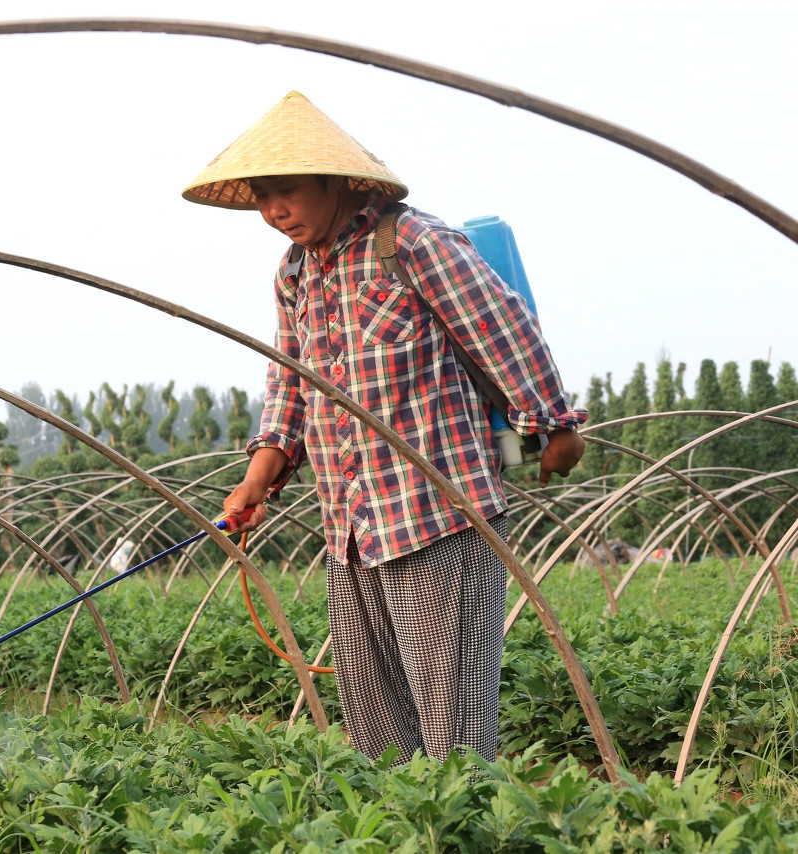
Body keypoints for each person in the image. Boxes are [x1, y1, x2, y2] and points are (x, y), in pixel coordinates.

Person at [181, 91, 586, 764]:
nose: (274, 211)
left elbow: (500, 328)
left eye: (288, 192)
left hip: (439, 514)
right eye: (262, 197)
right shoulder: (296, 272)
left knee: (452, 728)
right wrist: (259, 474)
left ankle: (460, 835)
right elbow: (291, 379)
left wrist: (553, 424)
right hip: (351, 528)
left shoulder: (412, 242)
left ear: (337, 182)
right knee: (376, 729)